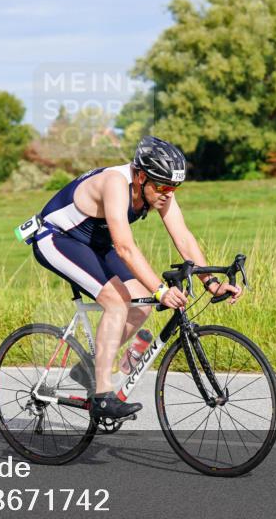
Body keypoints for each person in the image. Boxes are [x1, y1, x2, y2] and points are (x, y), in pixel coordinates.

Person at [29, 136, 241, 421]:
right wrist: (161, 290)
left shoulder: (160, 189)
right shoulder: (115, 184)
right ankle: (102, 396)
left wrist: (211, 283)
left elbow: (183, 236)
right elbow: (125, 247)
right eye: (162, 186)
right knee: (117, 302)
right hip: (57, 236)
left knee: (140, 304)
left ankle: (89, 368)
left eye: (174, 187)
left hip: (95, 243)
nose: (168, 194)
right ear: (141, 176)